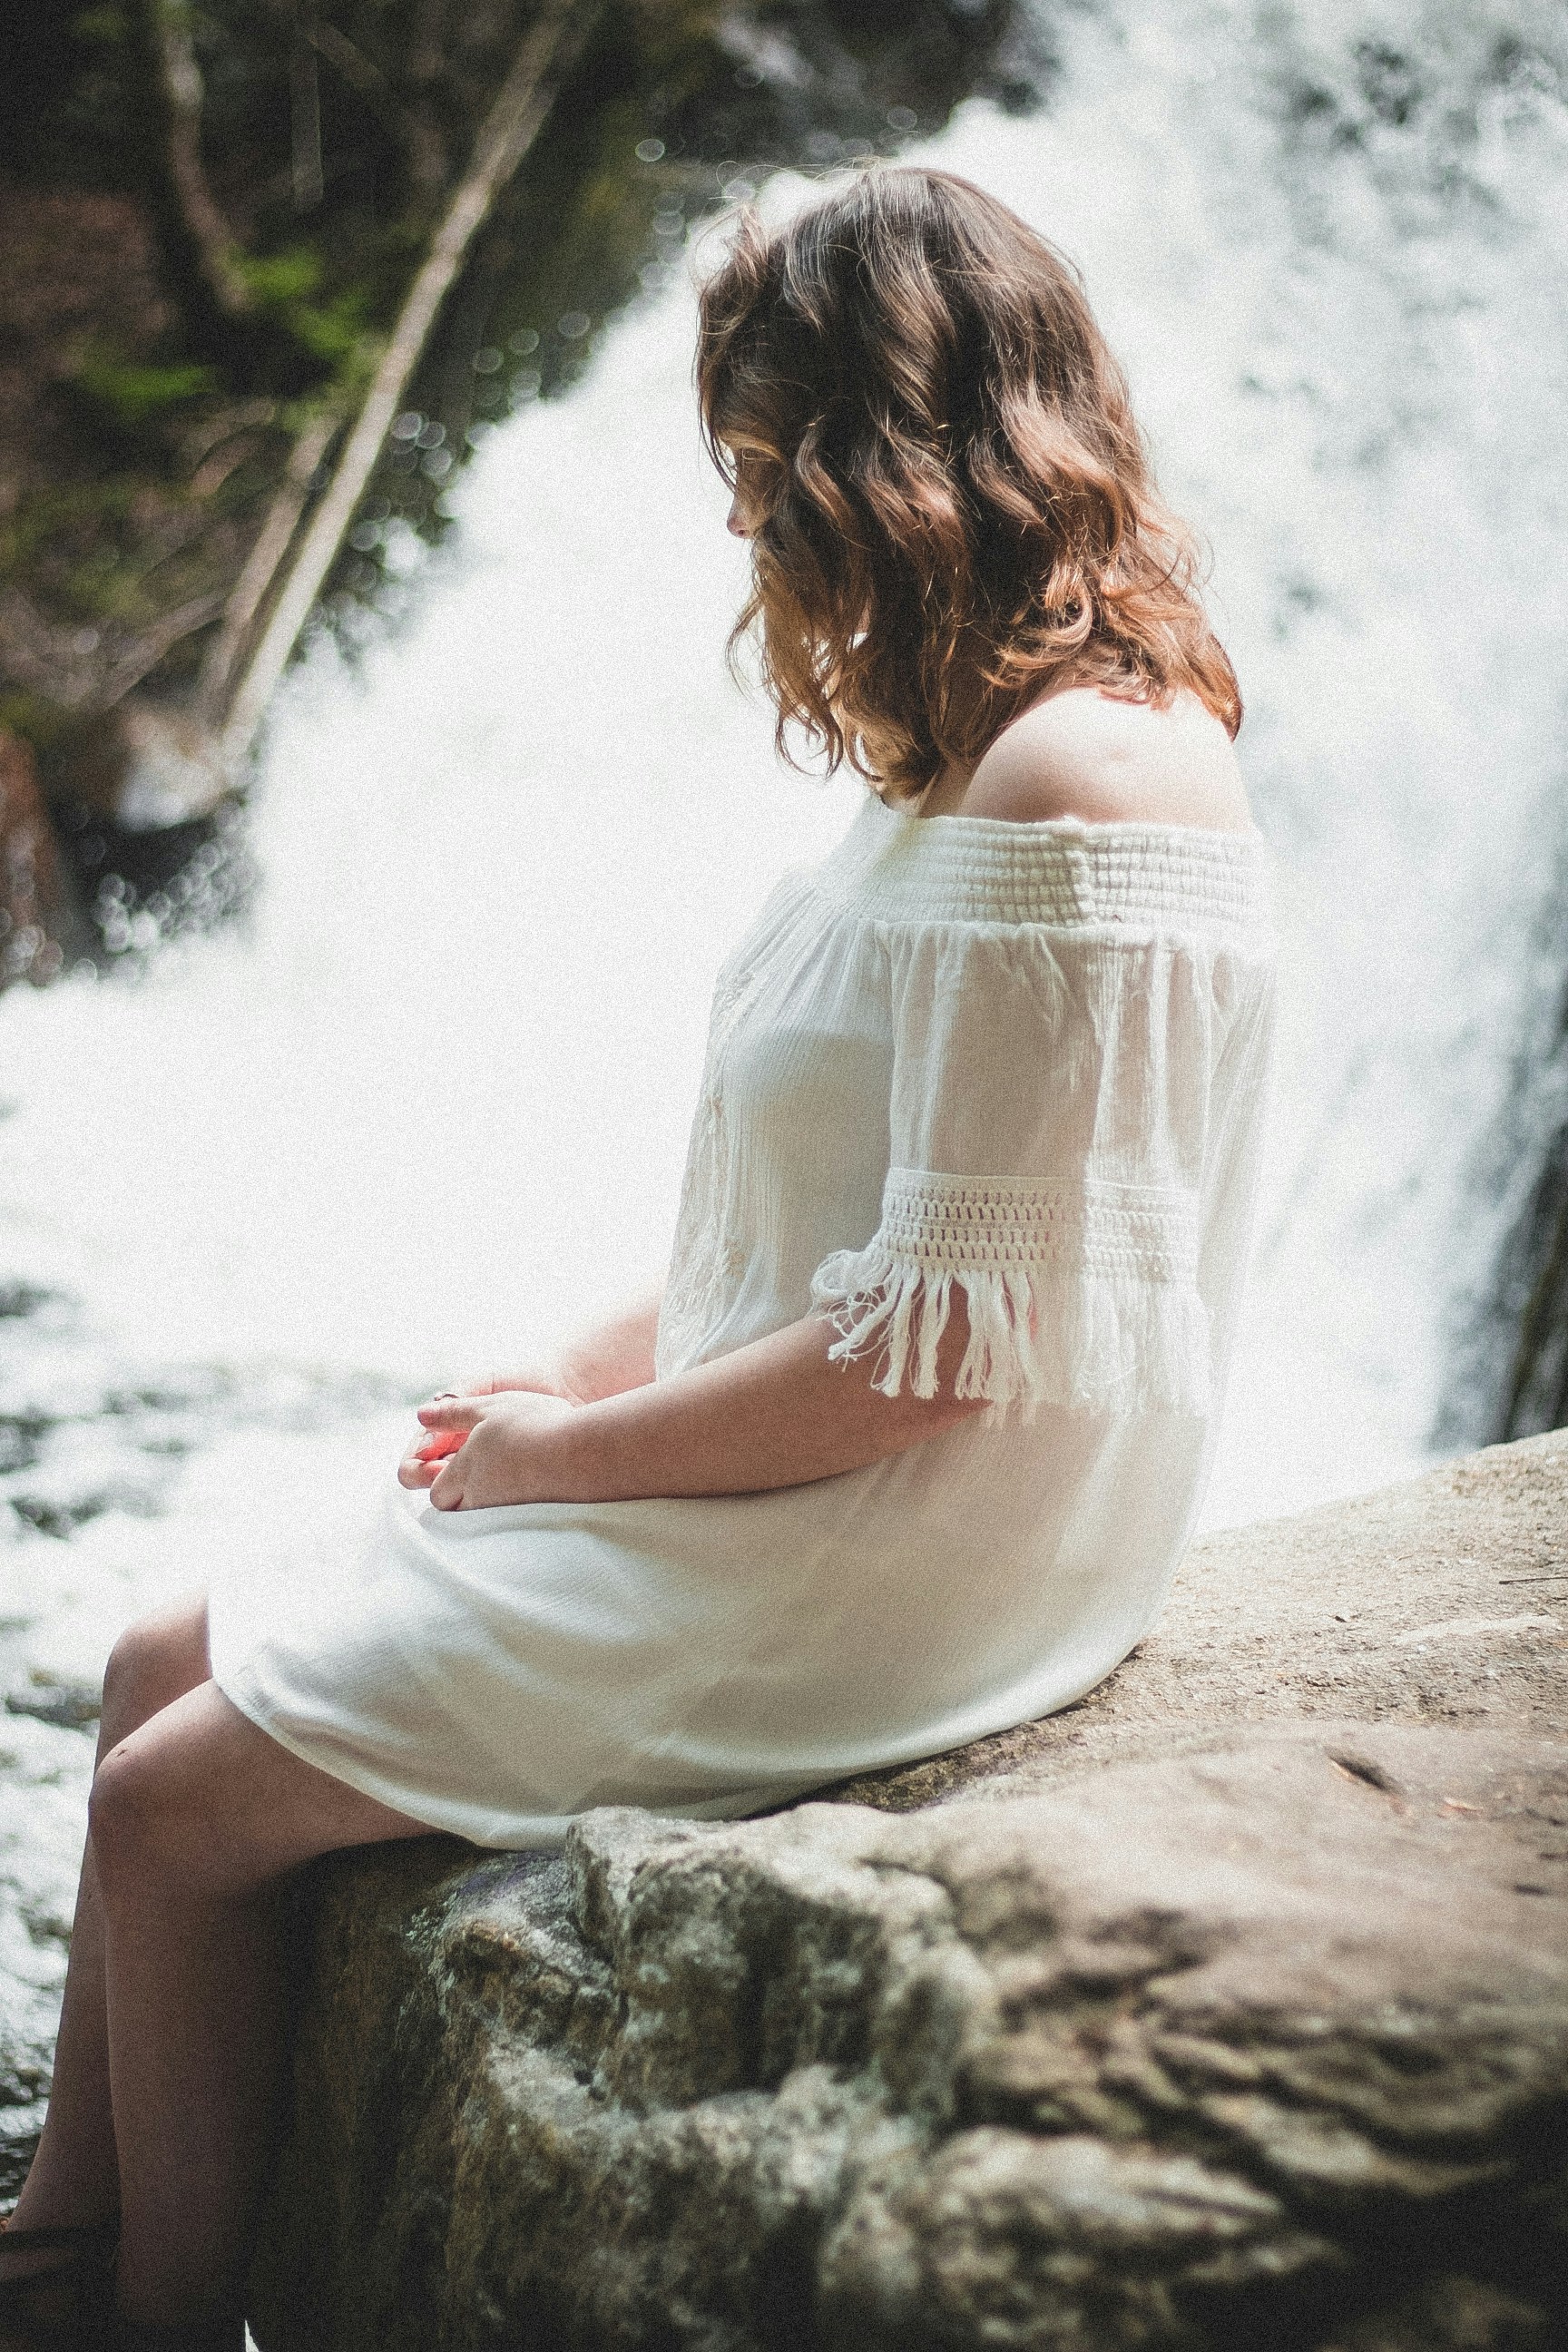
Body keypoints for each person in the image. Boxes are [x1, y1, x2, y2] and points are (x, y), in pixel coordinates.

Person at [0, 164, 1274, 2347]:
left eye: (781, 479)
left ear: (918, 451)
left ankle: (158, 2318)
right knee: (143, 1657)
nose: (760, 539)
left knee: (167, 1799)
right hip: (813, 1472)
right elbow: (822, 1241)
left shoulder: (1079, 784)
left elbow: (927, 1364)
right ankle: (52, 2246)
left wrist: (551, 1466)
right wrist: (569, 1378)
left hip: (903, 1551)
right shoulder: (963, 756)